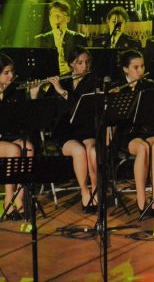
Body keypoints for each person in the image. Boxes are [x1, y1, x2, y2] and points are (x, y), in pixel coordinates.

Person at [111, 49, 154, 217]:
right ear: (125, 69)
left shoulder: (149, 85)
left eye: (142, 66)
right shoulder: (116, 87)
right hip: (126, 133)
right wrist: (113, 100)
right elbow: (112, 120)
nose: (140, 70)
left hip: (146, 129)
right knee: (143, 148)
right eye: (136, 67)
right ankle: (141, 200)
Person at [46, 47, 99, 213]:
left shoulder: (93, 81)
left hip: (86, 128)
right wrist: (34, 92)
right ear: (71, 64)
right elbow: (45, 109)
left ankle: (96, 190)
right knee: (79, 151)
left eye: (87, 62)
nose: (85, 66)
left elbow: (80, 107)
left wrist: (62, 92)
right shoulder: (62, 81)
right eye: (80, 63)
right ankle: (84, 191)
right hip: (65, 131)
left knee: (92, 151)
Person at [0, 53, 36, 220]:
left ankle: (19, 199)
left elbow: (27, 118)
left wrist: (33, 95)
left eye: (12, 72)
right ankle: (8, 199)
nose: (11, 76)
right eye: (6, 73)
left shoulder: (16, 90)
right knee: (14, 150)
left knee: (28, 148)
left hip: (10, 135)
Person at [35, 0, 87, 75]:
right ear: (49, 18)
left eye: (60, 15)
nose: (56, 18)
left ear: (68, 19)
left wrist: (71, 68)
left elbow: (85, 63)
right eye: (53, 15)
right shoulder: (40, 39)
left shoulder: (78, 38)